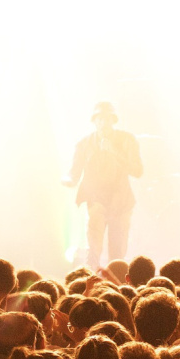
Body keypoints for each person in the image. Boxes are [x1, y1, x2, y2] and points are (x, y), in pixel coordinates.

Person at [63, 101, 144, 269]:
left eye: (107, 119)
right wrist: (69, 180)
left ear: (113, 120)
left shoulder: (127, 140)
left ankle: (117, 285)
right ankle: (91, 283)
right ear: (94, 121)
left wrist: (114, 152)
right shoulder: (84, 144)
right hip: (96, 201)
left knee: (118, 251)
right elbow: (74, 171)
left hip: (120, 202)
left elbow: (137, 170)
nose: (103, 123)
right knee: (93, 249)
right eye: (99, 119)